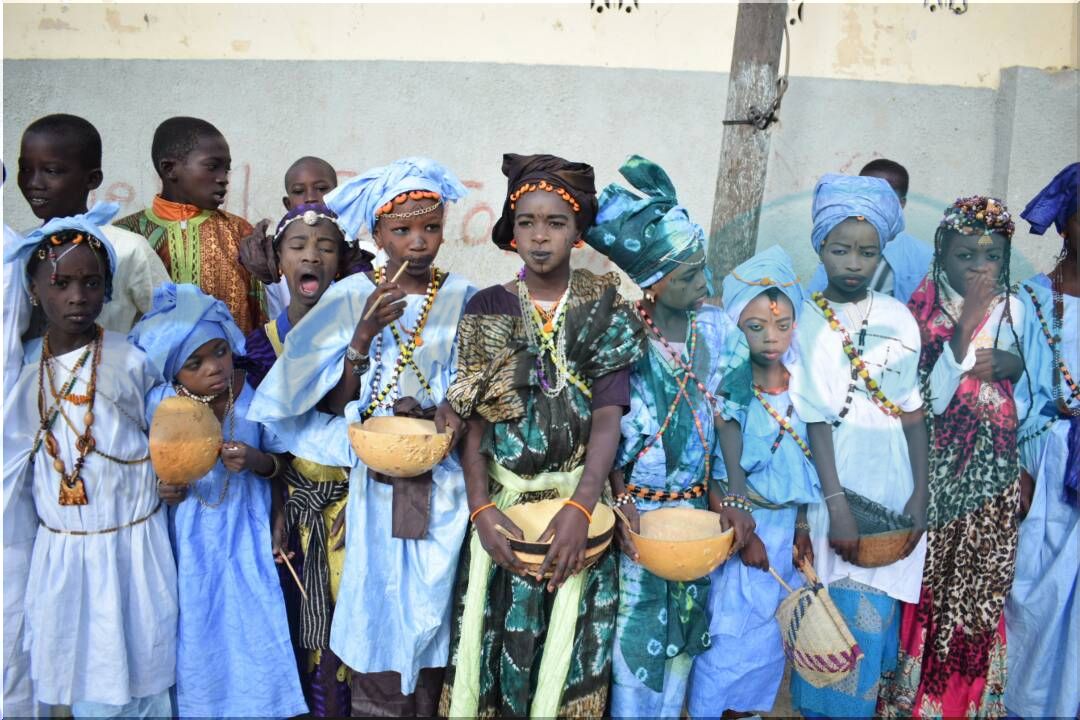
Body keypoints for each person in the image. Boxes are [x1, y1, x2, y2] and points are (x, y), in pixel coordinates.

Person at [249, 157, 474, 717]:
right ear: (376, 235)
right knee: (380, 602)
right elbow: (310, 397)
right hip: (374, 481)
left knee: (434, 603)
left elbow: (478, 380)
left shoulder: (465, 296)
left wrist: (454, 408)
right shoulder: (351, 295)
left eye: (431, 228)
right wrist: (363, 335)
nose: (418, 243)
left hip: (443, 481)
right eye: (401, 230)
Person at [439, 153, 645, 718]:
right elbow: (475, 419)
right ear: (510, 229)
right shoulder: (489, 307)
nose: (539, 236)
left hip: (579, 516)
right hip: (504, 511)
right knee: (495, 650)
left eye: (556, 222)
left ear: (578, 233)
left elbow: (609, 414)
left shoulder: (603, 304)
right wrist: (480, 508)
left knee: (570, 651)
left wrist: (582, 507)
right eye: (526, 221)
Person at [579, 155, 750, 717]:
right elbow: (603, 421)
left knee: (682, 643)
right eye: (690, 276)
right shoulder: (623, 330)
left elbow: (729, 418)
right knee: (631, 644)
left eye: (703, 269)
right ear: (653, 284)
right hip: (636, 518)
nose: (704, 284)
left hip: (695, 516)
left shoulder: (721, 333)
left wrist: (733, 495)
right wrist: (621, 500)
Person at [2, 203, 177, 717]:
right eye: (61, 284)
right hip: (64, 551)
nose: (78, 297)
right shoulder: (23, 365)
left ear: (107, 288)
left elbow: (167, 436)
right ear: (35, 290)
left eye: (92, 284)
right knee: (81, 672)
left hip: (133, 543)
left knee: (145, 669)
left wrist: (173, 475)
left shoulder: (132, 358)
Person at [878, 196, 1029, 717]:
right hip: (939, 478)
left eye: (990, 257)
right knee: (930, 587)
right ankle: (915, 700)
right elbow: (929, 399)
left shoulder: (1017, 309)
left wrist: (1016, 365)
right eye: (966, 255)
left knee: (980, 590)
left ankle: (966, 703)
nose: (978, 268)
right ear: (942, 252)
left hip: (994, 485)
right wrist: (963, 329)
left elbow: (1028, 404)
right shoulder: (918, 314)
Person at [128, 283, 307, 718]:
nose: (215, 368)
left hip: (245, 535)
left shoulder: (248, 399)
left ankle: (259, 706)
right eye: (196, 362)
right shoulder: (159, 406)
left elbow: (281, 464)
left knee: (251, 624)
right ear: (173, 371)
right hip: (186, 543)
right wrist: (163, 489)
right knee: (196, 627)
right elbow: (140, 471)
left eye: (221, 352)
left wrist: (255, 461)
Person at [787, 173, 929, 718]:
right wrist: (835, 507)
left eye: (867, 252)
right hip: (831, 491)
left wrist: (919, 495)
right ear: (819, 245)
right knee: (828, 632)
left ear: (882, 255)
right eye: (840, 248)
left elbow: (913, 414)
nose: (853, 262)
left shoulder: (898, 316)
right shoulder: (799, 317)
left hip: (890, 486)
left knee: (872, 634)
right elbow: (815, 422)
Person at [688, 245, 822, 718]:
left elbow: (806, 470)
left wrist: (802, 530)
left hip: (784, 535)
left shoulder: (803, 387)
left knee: (768, 644)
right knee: (725, 641)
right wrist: (742, 529)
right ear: (735, 326)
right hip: (740, 531)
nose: (771, 337)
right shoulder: (728, 389)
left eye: (782, 325)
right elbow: (712, 473)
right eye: (756, 326)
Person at [243, 202, 354, 716]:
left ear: (342, 260)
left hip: (354, 503)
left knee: (351, 628)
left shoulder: (361, 331)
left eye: (326, 247)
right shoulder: (262, 346)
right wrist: (280, 512)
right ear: (278, 262)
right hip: (297, 504)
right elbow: (275, 442)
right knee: (300, 625)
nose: (312, 256)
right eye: (299, 247)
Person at [1005, 162, 1080, 719]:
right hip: (1039, 455)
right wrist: (1014, 465)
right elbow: (1003, 389)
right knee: (1030, 585)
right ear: (1065, 224)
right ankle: (1021, 704)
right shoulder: (1028, 299)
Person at [16, 113, 170, 334]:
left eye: (51, 171)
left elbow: (168, 325)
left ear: (92, 179)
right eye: (26, 169)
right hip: (35, 369)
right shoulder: (18, 249)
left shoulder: (127, 249)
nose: (34, 183)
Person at [115, 116, 265, 334]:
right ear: (169, 169)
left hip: (231, 366)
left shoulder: (240, 232)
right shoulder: (126, 235)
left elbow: (260, 313)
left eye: (226, 169)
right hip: (148, 366)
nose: (223, 178)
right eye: (212, 167)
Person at [239, 156, 373, 319]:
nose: (310, 198)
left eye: (322, 188)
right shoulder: (274, 262)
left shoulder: (365, 254)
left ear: (338, 196)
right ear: (288, 204)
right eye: (298, 191)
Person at [809, 158, 933, 304]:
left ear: (901, 203)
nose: (853, 265)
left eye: (868, 253)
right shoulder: (835, 243)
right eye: (864, 195)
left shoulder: (925, 257)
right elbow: (815, 295)